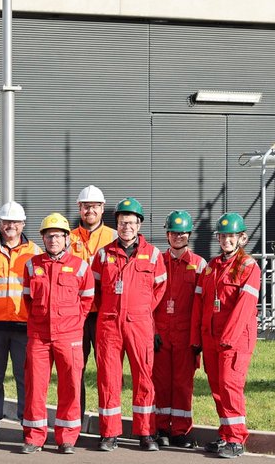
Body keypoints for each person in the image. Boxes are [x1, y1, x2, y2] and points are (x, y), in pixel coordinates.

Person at [91, 197, 166, 452]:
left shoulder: (154, 255)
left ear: (139, 225)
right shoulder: (103, 254)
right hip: (109, 324)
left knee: (144, 378)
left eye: (131, 222)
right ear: (117, 225)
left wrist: (141, 310)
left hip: (140, 324)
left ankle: (146, 433)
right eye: (123, 223)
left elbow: (159, 289)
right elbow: (96, 289)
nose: (127, 227)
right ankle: (109, 433)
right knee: (108, 379)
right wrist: (110, 312)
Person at [20, 213, 94, 454]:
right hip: (39, 336)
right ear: (43, 238)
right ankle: (34, 437)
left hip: (69, 336)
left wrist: (72, 324)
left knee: (71, 386)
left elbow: (87, 301)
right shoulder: (32, 265)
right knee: (35, 386)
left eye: (58, 236)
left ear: (66, 238)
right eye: (48, 236)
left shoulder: (81, 267)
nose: (53, 240)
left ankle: (67, 438)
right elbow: (28, 299)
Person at [191, 212, 261, 459]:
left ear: (242, 238)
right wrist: (197, 339)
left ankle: (236, 438)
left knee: (231, 386)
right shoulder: (211, 266)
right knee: (218, 387)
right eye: (222, 236)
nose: (226, 241)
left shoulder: (248, 267)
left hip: (235, 339)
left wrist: (229, 337)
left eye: (231, 236)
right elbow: (200, 303)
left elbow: (245, 306)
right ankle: (225, 434)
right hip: (211, 337)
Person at [0, 200, 41, 442]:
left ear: (23, 224)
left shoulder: (36, 253)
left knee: (26, 378)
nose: (10, 225)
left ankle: (27, 423)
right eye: (6, 221)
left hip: (25, 328)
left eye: (15, 221)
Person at [152, 210, 203, 449]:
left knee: (183, 384)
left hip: (185, 335)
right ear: (167, 234)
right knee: (161, 383)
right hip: (161, 333)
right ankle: (161, 427)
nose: (178, 237)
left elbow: (202, 306)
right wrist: (152, 331)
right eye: (174, 232)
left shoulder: (199, 265)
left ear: (189, 234)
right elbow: (147, 299)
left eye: (182, 233)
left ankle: (181, 431)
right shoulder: (157, 262)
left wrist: (197, 338)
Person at [68, 184, 116, 412]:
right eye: (86, 206)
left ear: (102, 208)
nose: (90, 210)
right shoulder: (67, 239)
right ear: (79, 208)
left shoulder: (114, 237)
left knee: (107, 370)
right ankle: (74, 419)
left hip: (104, 314)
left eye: (95, 206)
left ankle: (106, 422)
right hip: (75, 315)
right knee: (74, 368)